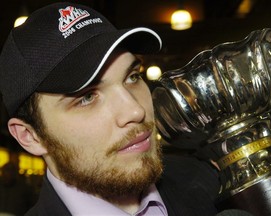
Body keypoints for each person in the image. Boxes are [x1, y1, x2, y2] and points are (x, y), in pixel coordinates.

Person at [0, 2, 221, 215]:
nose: (135, 111)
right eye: (86, 97)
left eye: (132, 77)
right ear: (30, 136)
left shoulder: (213, 184)